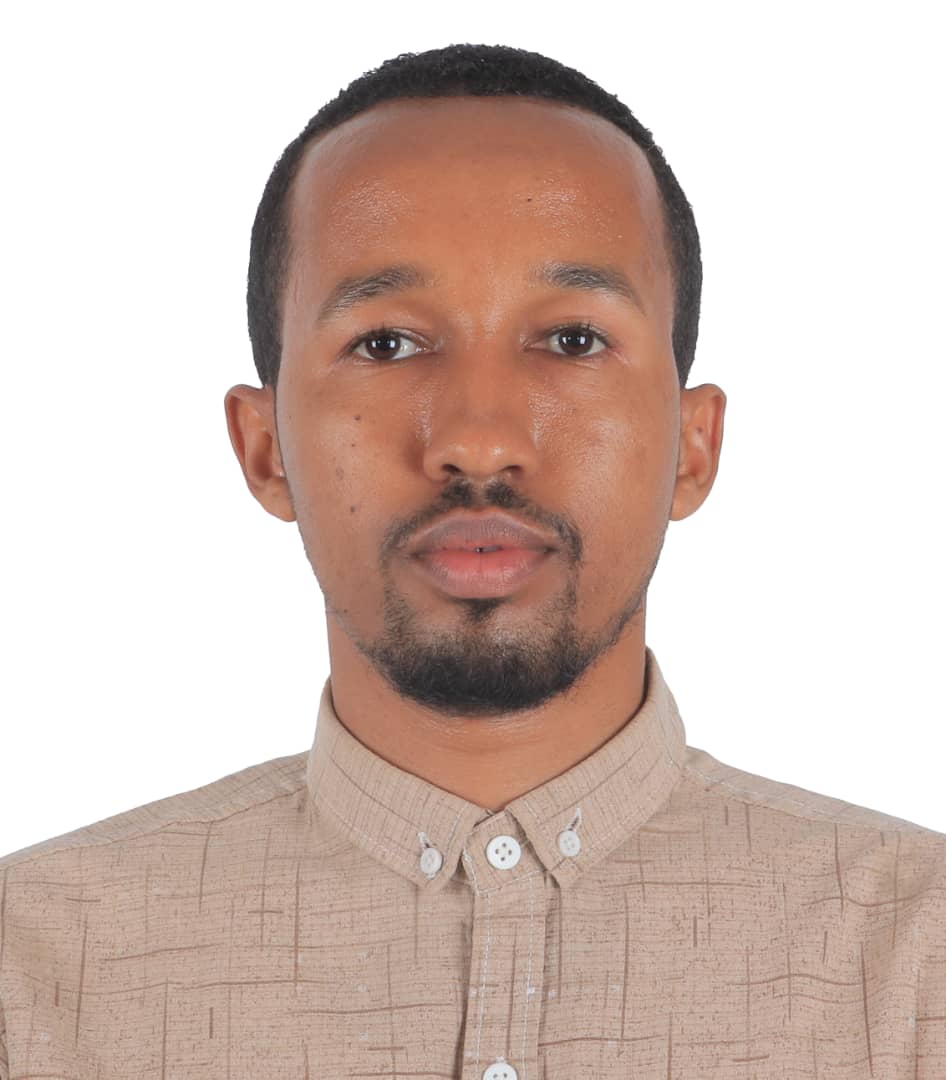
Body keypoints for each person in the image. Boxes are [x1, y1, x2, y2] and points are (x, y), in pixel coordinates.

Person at [1, 42, 943, 1080]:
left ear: (693, 445)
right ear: (265, 449)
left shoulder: (917, 962)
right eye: (387, 344)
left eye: (573, 341)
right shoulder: (34, 975)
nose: (480, 441)